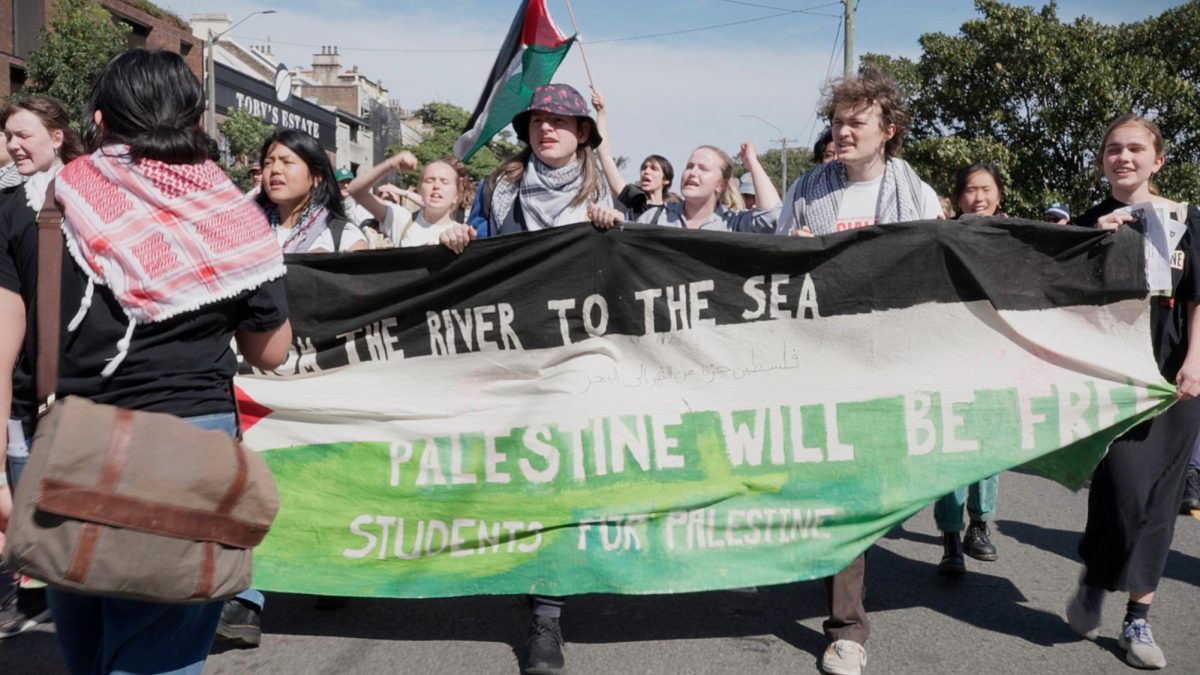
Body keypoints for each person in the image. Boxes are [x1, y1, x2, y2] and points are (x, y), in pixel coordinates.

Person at [0, 48, 292, 674]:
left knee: (86, 646)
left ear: (100, 120)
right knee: (160, 658)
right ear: (191, 121)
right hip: (189, 448)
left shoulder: (34, 208)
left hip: (59, 446)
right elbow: (271, 351)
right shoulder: (234, 219)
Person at [774, 66, 943, 675]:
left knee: (869, 493)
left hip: (887, 366)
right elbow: (773, 272)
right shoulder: (809, 189)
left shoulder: (913, 194)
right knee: (839, 490)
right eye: (837, 122)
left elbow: (936, 274)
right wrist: (787, 248)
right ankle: (847, 630)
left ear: (887, 130)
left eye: (856, 122)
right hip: (821, 365)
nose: (842, 132)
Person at [1065, 114, 1200, 670]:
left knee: (1161, 501)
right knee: (1122, 488)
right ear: (1102, 162)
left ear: (1157, 160)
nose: (1124, 157)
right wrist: (1095, 243)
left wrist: (1195, 362)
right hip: (1113, 378)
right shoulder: (1083, 223)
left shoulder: (1187, 222)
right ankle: (1098, 574)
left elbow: (1197, 300)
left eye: (1136, 149)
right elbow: (1056, 295)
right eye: (1113, 149)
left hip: (1175, 376)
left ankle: (1137, 619)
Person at [0, 95, 85, 640]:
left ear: (57, 137)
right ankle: (30, 591)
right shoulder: (8, 205)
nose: (12, 145)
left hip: (79, 390)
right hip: (24, 390)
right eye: (8, 136)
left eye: (23, 135)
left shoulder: (92, 199)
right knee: (23, 511)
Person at [934, 162, 1006, 577]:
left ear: (998, 195)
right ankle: (949, 536)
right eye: (970, 191)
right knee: (949, 448)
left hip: (995, 356)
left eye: (986, 189)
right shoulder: (941, 238)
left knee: (989, 445)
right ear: (958, 197)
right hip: (948, 354)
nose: (978, 198)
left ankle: (979, 525)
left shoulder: (1014, 236)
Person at [466, 83, 612, 241]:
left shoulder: (603, 195)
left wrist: (614, 229)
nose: (545, 127)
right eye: (537, 121)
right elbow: (476, 254)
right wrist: (457, 241)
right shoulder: (494, 189)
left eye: (558, 120)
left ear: (582, 132)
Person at [611, 143, 779, 232]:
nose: (692, 173)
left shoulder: (733, 223)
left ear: (721, 184)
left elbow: (773, 218)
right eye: (689, 166)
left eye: (703, 169)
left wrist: (753, 163)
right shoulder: (654, 219)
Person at [257, 130, 368, 253]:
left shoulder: (345, 238)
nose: (275, 169)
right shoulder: (246, 231)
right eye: (268, 163)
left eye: (287, 162)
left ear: (316, 176)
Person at [346, 152, 475, 251]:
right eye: (429, 180)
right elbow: (355, 191)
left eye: (444, 181)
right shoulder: (401, 220)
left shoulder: (462, 233)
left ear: (457, 195)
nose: (436, 185)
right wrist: (391, 164)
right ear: (419, 190)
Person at [589, 87, 675, 223]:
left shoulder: (674, 213)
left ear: (666, 180)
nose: (646, 172)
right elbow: (605, 157)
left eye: (654, 169)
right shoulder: (634, 200)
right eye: (644, 168)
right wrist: (601, 112)